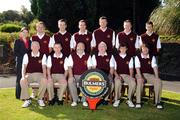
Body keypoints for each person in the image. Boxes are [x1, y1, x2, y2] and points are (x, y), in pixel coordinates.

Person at [135, 44, 163, 109]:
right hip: (140, 74)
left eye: (147, 48)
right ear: (141, 49)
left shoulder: (152, 57)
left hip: (150, 75)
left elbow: (155, 67)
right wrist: (141, 77)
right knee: (140, 81)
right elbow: (137, 68)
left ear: (148, 49)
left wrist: (157, 77)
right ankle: (138, 102)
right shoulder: (137, 57)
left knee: (158, 81)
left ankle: (157, 102)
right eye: (144, 48)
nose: (145, 49)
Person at [20, 41, 47, 108]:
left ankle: (40, 99)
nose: (35, 47)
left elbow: (44, 67)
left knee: (44, 80)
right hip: (29, 74)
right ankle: (27, 99)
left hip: (39, 74)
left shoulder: (43, 55)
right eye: (33, 46)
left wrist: (44, 76)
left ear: (39, 47)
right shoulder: (27, 55)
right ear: (31, 47)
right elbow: (24, 67)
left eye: (36, 46)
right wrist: (23, 77)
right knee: (22, 81)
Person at [31, 21, 51, 98]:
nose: (40, 28)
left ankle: (45, 92)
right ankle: (34, 92)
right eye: (38, 27)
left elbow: (50, 49)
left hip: (45, 59)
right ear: (36, 28)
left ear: (44, 28)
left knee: (44, 75)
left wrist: (44, 57)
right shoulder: (33, 37)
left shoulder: (49, 38)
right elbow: (31, 48)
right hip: (35, 59)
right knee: (35, 74)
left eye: (42, 27)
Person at [68, 42, 92, 107]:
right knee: (70, 81)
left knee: (87, 81)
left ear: (84, 48)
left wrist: (87, 77)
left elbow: (89, 68)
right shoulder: (72, 55)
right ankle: (75, 100)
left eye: (82, 46)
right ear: (76, 47)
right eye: (78, 46)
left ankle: (84, 100)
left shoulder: (88, 56)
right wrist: (71, 76)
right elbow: (70, 67)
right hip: (74, 75)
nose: (80, 47)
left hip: (84, 75)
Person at [113, 43, 136, 107]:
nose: (123, 49)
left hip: (127, 75)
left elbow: (131, 69)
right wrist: (117, 76)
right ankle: (117, 99)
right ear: (119, 49)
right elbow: (113, 69)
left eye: (124, 48)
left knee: (133, 82)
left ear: (126, 49)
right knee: (117, 82)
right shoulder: (115, 57)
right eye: (121, 48)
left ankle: (129, 99)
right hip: (118, 75)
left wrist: (131, 77)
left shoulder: (129, 58)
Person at [14, 27, 31, 99]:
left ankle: (25, 95)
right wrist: (24, 57)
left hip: (28, 63)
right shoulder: (17, 41)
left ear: (28, 33)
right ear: (21, 33)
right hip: (20, 62)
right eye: (23, 32)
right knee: (19, 78)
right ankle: (18, 95)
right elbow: (15, 52)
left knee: (25, 78)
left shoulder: (30, 41)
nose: (25, 33)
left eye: (26, 32)